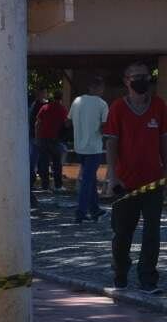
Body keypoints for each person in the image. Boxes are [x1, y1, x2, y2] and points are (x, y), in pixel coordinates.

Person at [104, 62, 167, 292]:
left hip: (153, 182)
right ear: (126, 81)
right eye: (137, 76)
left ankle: (147, 278)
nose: (142, 80)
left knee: (152, 231)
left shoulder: (159, 106)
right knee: (122, 233)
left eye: (146, 76)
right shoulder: (118, 108)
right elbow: (111, 142)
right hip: (125, 183)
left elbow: (163, 140)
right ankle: (120, 272)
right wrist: (112, 177)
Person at [68, 75, 108, 222]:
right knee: (87, 180)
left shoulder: (77, 101)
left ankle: (95, 209)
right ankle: (81, 212)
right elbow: (105, 127)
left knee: (90, 179)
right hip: (94, 147)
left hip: (79, 147)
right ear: (99, 88)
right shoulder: (102, 104)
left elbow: (69, 120)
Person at [34, 92, 67, 192]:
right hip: (55, 139)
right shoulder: (63, 109)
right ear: (61, 99)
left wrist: (37, 137)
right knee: (57, 163)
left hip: (43, 138)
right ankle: (58, 186)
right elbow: (66, 123)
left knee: (44, 163)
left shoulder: (45, 108)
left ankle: (45, 186)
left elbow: (37, 123)